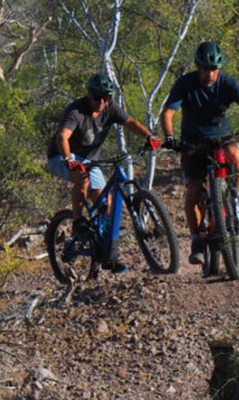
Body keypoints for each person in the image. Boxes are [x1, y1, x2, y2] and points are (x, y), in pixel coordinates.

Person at [158, 41, 239, 267]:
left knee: (236, 156)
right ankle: (197, 240)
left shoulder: (227, 82)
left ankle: (234, 198)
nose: (210, 73)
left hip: (221, 137)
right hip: (193, 142)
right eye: (206, 68)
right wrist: (169, 137)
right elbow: (168, 113)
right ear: (198, 66)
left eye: (214, 68)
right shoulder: (185, 83)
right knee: (194, 191)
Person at [46, 73, 162, 270]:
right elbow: (62, 137)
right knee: (82, 179)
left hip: (89, 160)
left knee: (105, 203)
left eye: (106, 97)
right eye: (97, 97)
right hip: (61, 156)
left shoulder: (110, 107)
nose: (102, 102)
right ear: (89, 95)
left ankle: (108, 254)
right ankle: (77, 223)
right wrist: (69, 160)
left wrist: (149, 136)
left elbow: (130, 123)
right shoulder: (76, 111)